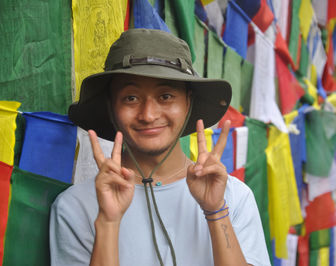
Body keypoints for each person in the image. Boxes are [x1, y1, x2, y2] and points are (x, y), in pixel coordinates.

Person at [50, 28, 270, 266]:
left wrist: (216, 211)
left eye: (166, 96)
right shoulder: (74, 206)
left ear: (189, 103)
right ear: (111, 107)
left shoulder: (233, 197)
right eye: (131, 98)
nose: (148, 114)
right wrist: (108, 223)